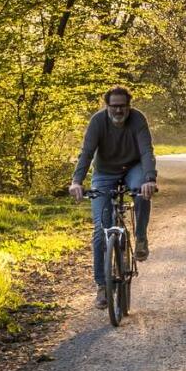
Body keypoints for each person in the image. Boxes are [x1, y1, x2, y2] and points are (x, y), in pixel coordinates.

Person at [69, 85, 158, 309]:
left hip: (133, 168)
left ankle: (141, 237)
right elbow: (87, 153)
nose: (119, 111)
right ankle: (101, 286)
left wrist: (150, 178)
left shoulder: (138, 119)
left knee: (141, 191)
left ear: (129, 106)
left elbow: (146, 150)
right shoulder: (98, 122)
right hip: (105, 172)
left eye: (123, 106)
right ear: (106, 106)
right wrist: (77, 182)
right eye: (114, 106)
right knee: (100, 230)